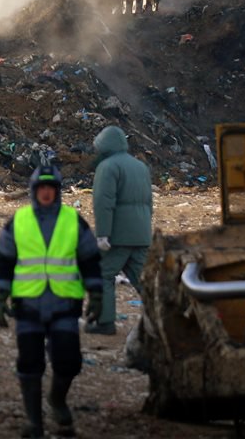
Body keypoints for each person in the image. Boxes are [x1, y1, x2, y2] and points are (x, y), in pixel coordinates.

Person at [0, 165, 104, 438]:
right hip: (28, 304)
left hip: (64, 303)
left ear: (57, 191)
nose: (45, 193)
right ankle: (34, 421)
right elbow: (4, 263)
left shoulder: (73, 221)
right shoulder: (18, 222)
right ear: (33, 191)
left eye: (50, 188)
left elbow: (89, 260)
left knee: (68, 361)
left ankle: (57, 399)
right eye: (41, 188)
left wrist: (97, 294)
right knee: (30, 363)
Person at [88, 125, 153, 336]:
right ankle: (168, 321)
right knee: (145, 282)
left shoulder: (107, 167)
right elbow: (148, 204)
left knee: (102, 275)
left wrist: (103, 234)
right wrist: (143, 230)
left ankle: (104, 322)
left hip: (118, 236)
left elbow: (104, 203)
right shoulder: (140, 166)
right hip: (141, 235)